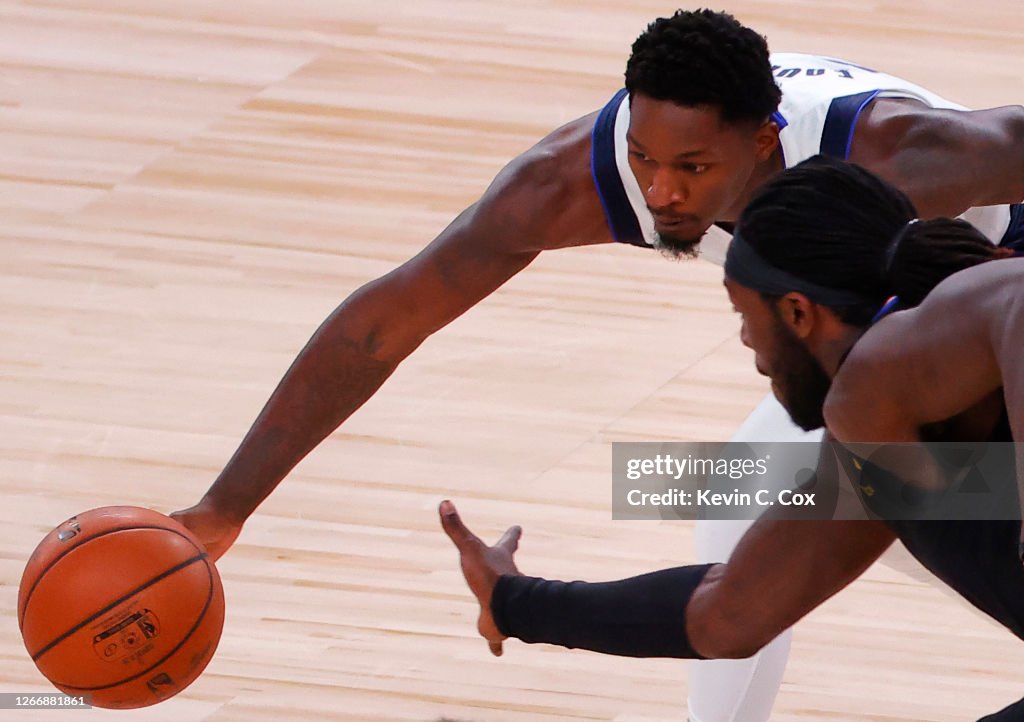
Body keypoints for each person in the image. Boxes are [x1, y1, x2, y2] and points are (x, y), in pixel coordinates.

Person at [171, 9, 1024, 721]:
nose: (661, 195)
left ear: (765, 144)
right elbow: (383, 324)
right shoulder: (578, 179)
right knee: (736, 501)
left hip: (974, 329)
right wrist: (223, 507)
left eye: (692, 168)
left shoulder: (904, 154)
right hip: (899, 365)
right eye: (646, 161)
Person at [440, 156, 1024, 720]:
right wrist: (514, 601)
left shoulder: (886, 366)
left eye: (744, 314)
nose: (746, 341)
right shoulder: (871, 449)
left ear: (798, 313)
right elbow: (728, 614)